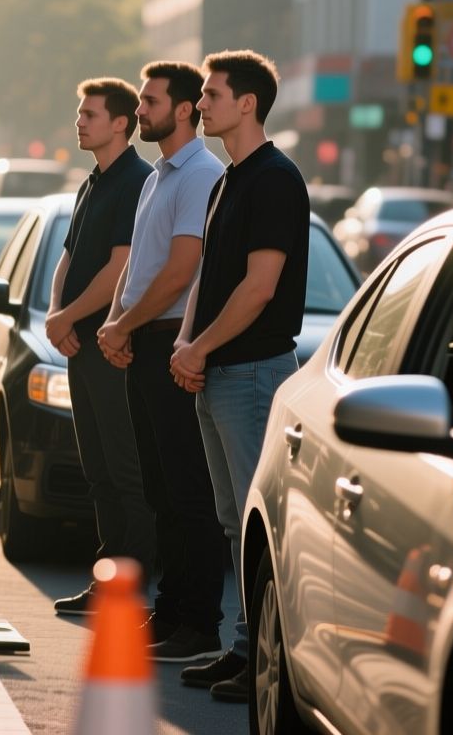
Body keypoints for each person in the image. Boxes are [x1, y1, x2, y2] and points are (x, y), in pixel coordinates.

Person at [169, 50, 307, 701]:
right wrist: (187, 342)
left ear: (247, 103)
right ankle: (244, 644)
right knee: (233, 519)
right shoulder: (228, 180)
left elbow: (259, 289)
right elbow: (211, 277)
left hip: (253, 374)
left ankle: (266, 657)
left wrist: (201, 350)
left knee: (259, 525)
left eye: (213, 94)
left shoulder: (276, 180)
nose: (202, 104)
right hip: (219, 370)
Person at [94, 61, 227, 663]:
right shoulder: (158, 177)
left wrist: (125, 322)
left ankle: (198, 621)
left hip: (172, 340)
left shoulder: (201, 174)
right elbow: (139, 265)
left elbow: (180, 271)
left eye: (149, 102)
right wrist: (115, 323)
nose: (141, 110)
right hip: (142, 339)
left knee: (186, 489)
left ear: (182, 110)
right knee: (157, 486)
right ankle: (170, 610)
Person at [46, 77, 155, 615]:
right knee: (97, 472)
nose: (80, 121)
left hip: (116, 348)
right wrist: (54, 316)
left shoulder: (137, 180)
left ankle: (131, 588)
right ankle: (107, 580)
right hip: (80, 346)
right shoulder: (92, 181)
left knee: (125, 469)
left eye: (90, 114)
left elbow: (120, 268)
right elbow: (69, 257)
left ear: (120, 122)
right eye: (79, 113)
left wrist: (69, 316)